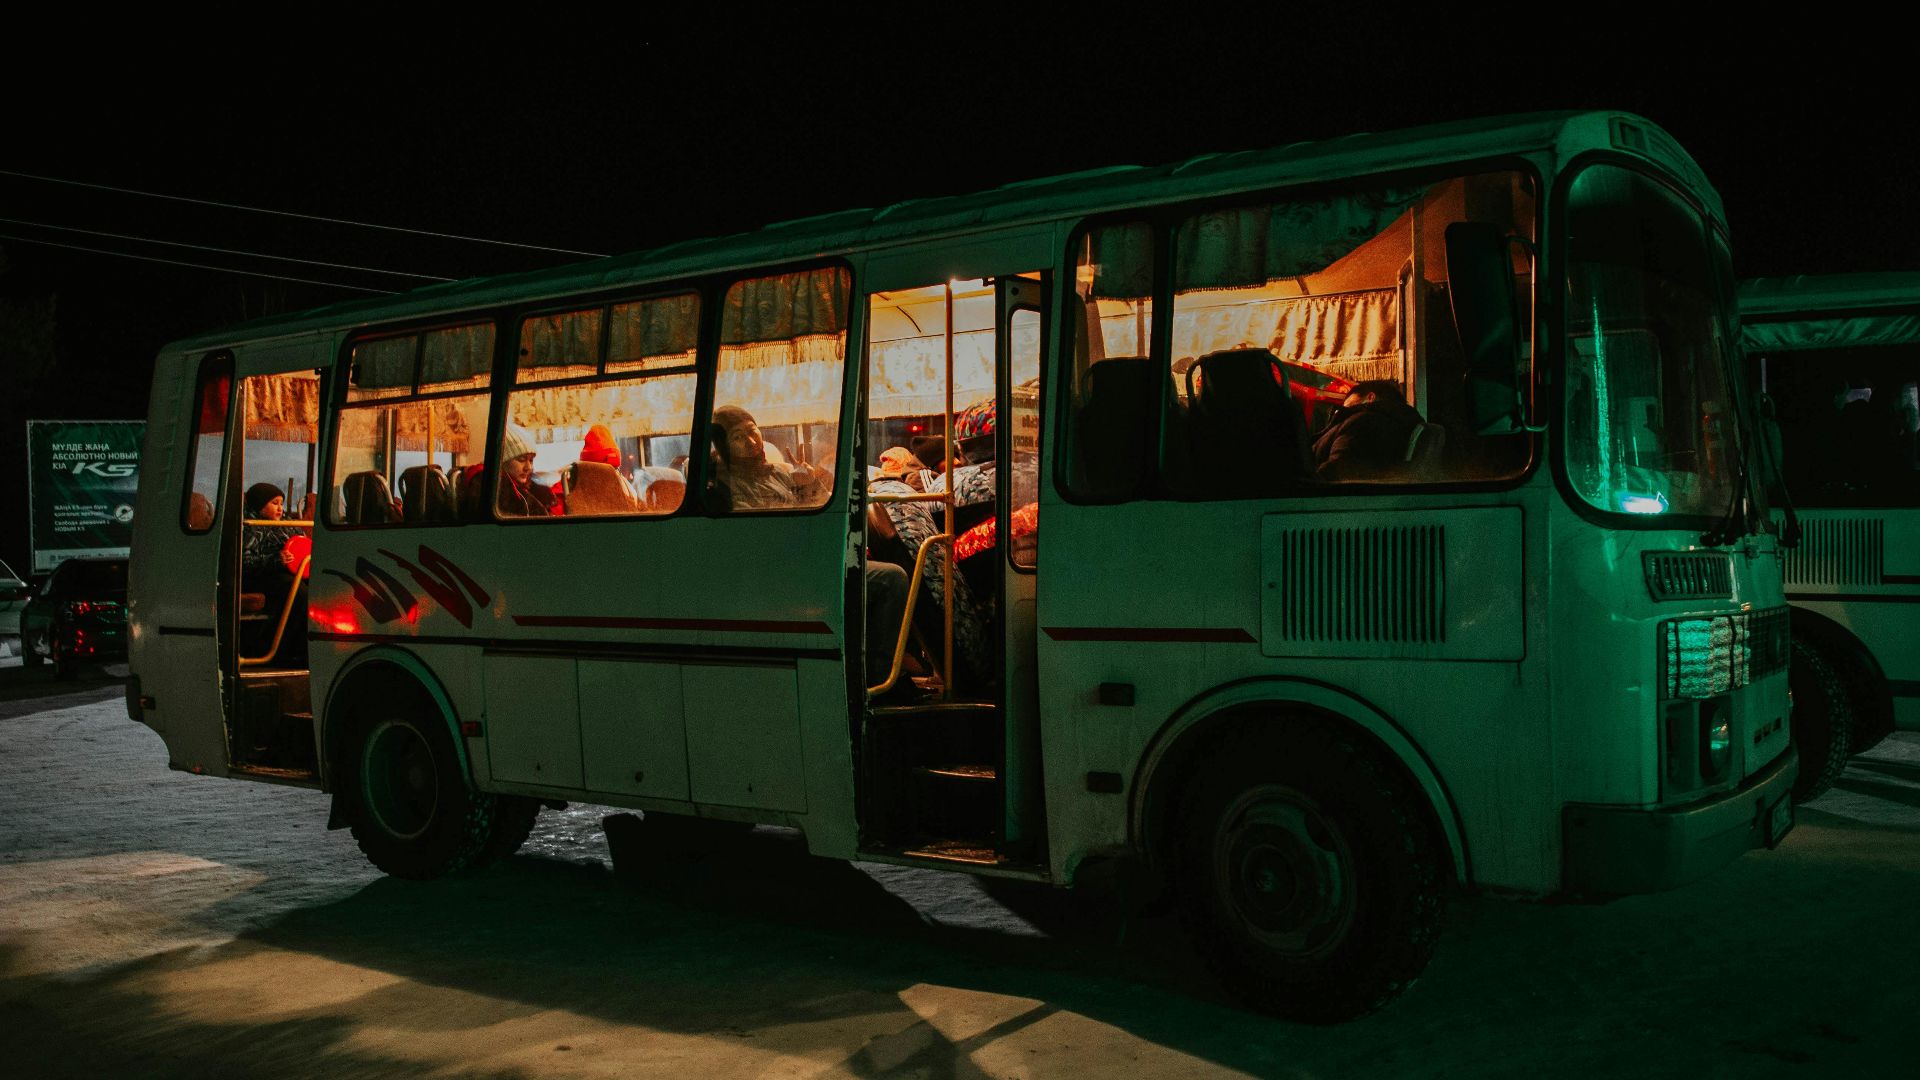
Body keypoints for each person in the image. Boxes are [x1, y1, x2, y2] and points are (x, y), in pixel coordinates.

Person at [708, 405, 828, 510]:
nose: (752, 442)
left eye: (752, 431)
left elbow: (821, 506)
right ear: (725, 447)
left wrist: (809, 482)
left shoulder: (776, 472)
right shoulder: (725, 488)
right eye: (738, 437)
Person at [240, 482, 308, 665]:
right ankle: (277, 649)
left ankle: (302, 647)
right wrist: (275, 560)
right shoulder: (252, 527)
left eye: (281, 504)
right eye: (274, 503)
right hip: (261, 576)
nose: (280, 508)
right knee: (298, 593)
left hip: (292, 571)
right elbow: (244, 561)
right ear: (260, 505)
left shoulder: (288, 524)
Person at [1312, 380, 1424, 481]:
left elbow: (1337, 467)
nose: (1344, 409)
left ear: (1370, 397)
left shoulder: (1364, 421)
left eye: (1347, 405)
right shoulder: (1398, 424)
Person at [554, 423, 637, 515]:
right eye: (604, 470)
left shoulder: (566, 488)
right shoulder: (627, 489)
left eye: (613, 470)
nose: (610, 476)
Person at [497, 423, 559, 516]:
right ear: (502, 461)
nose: (528, 467)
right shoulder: (501, 495)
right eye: (521, 459)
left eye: (531, 460)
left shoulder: (534, 489)